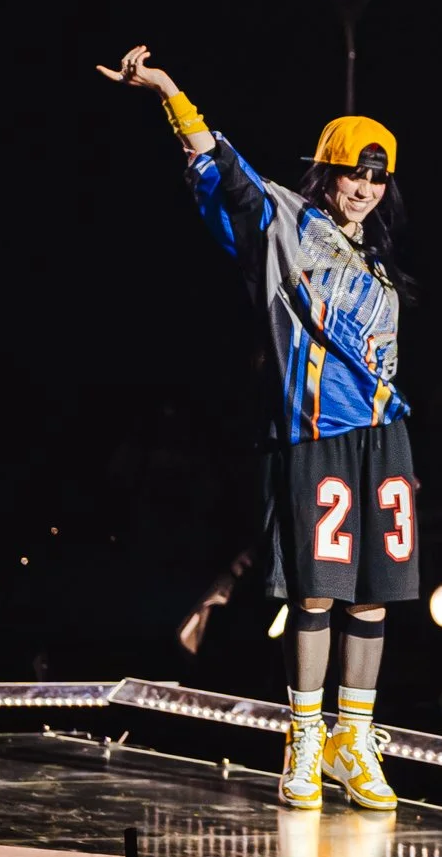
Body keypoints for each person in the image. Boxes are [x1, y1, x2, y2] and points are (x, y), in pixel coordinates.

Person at [98, 44, 415, 813]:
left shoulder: (377, 261)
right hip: (313, 434)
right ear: (327, 171)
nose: (364, 188)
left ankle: (352, 738)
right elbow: (222, 163)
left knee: (371, 596)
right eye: (353, 173)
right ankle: (303, 738)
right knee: (315, 592)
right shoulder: (286, 221)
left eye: (377, 177)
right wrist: (170, 92)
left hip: (384, 436)